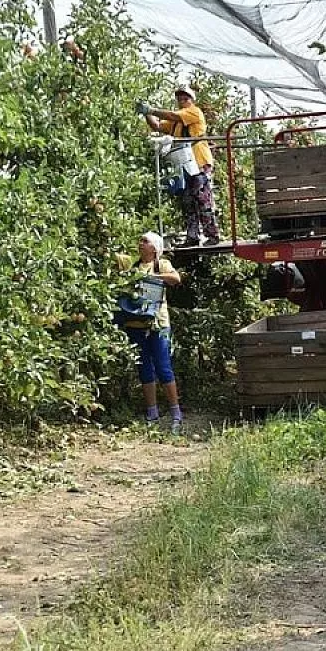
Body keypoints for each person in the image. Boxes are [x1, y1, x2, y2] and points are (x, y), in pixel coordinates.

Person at [138, 85, 220, 247]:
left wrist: (151, 109)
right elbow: (158, 126)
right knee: (188, 200)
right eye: (180, 99)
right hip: (184, 164)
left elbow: (171, 115)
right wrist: (147, 114)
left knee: (202, 199)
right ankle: (192, 236)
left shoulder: (193, 112)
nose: (182, 101)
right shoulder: (176, 122)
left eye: (186, 98)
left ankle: (212, 235)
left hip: (199, 162)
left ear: (192, 100)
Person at [123, 232, 184, 432]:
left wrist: (151, 277)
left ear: (155, 248)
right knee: (144, 368)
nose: (141, 244)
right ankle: (152, 411)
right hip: (135, 324)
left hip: (158, 324)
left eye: (145, 241)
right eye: (140, 240)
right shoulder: (133, 266)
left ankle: (176, 412)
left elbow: (176, 279)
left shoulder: (161, 265)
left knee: (163, 366)